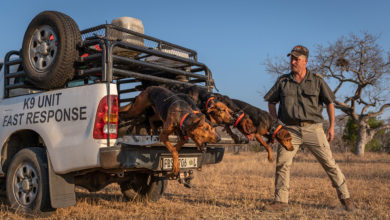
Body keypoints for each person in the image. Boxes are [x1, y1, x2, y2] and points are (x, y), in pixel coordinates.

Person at [263, 45, 355, 211]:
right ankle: (281, 201)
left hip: (313, 129)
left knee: (329, 164)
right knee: (282, 164)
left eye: (296, 59)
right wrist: (276, 122)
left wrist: (332, 127)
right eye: (291, 58)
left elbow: (329, 103)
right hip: (289, 130)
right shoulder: (283, 81)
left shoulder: (317, 80)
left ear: (305, 61)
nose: (292, 62)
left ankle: (346, 199)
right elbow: (271, 101)